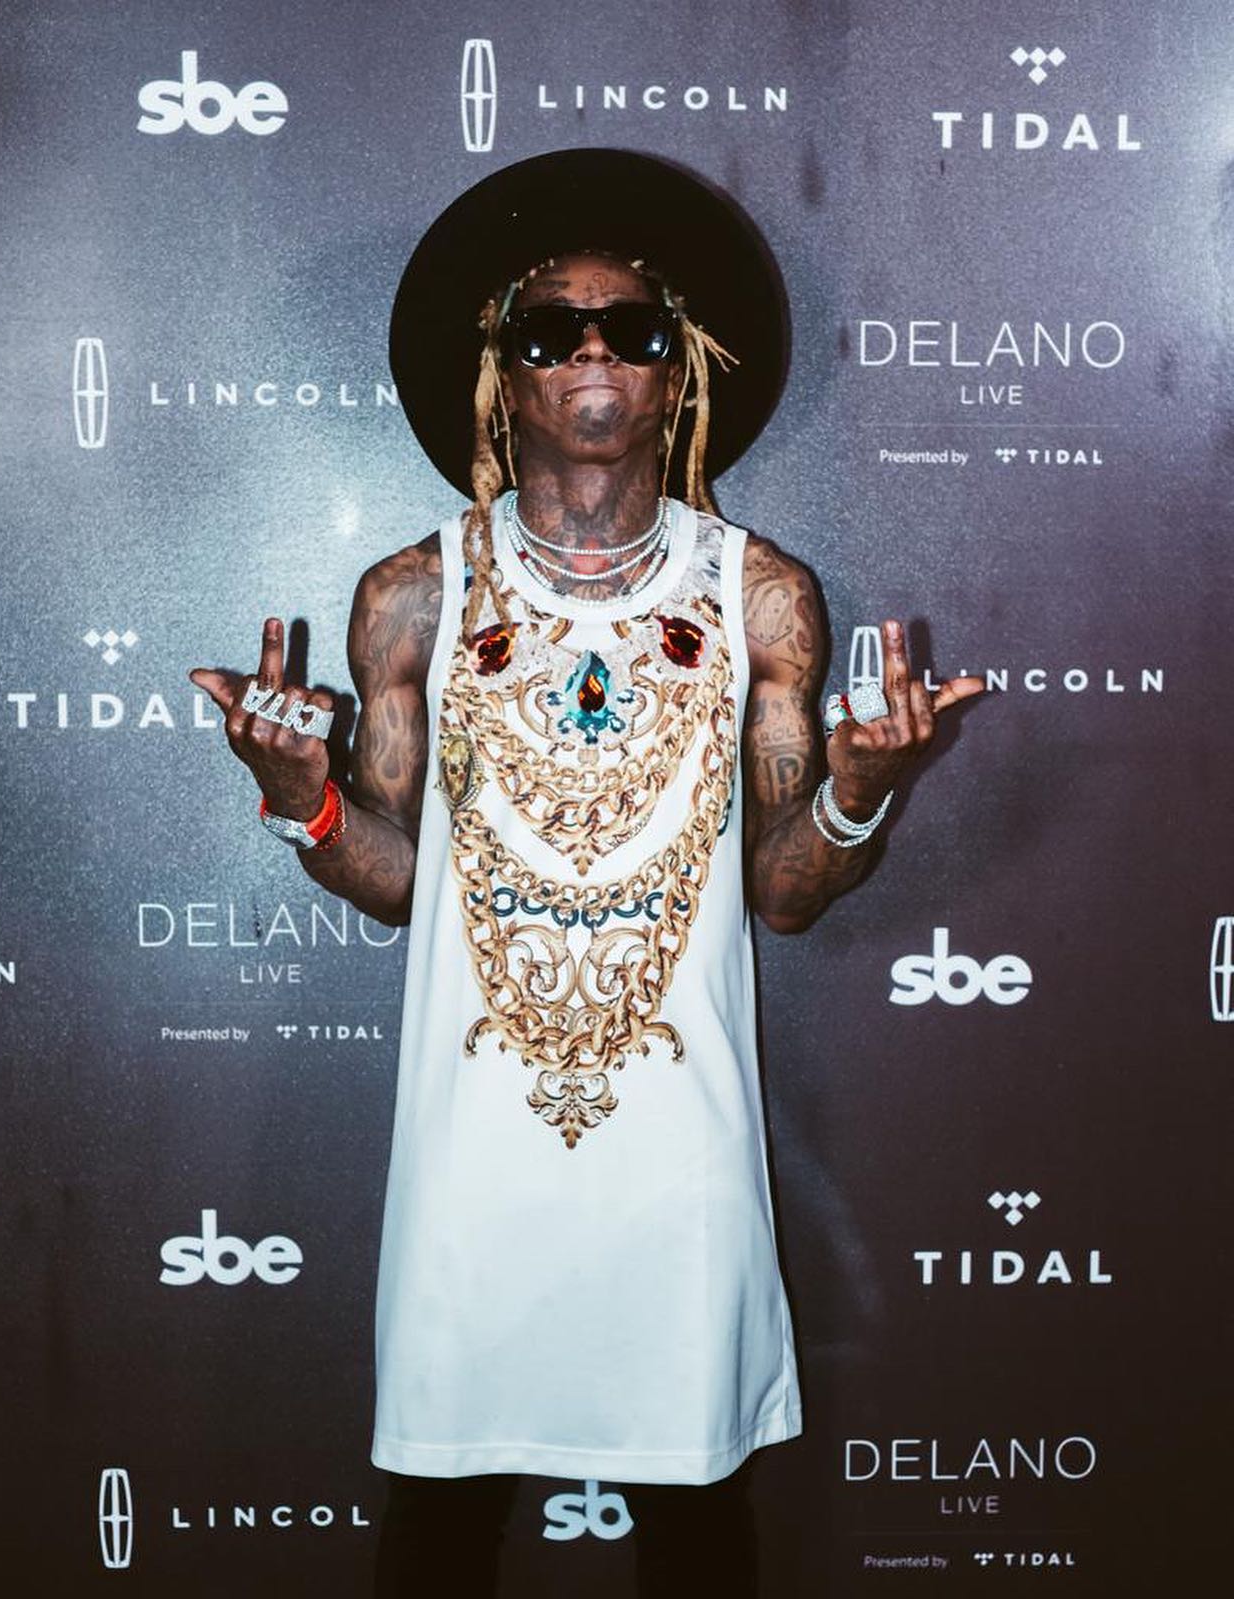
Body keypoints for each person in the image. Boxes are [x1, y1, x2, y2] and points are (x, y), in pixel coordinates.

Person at [190, 150, 984, 1596]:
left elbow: (785, 891)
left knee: (698, 1538)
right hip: (474, 1156)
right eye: (555, 330)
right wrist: (302, 802)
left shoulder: (760, 597)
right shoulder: (411, 595)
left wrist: (858, 795)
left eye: (637, 327)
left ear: (685, 374)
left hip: (676, 1157)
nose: (597, 352)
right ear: (504, 373)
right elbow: (396, 876)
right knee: (436, 1535)